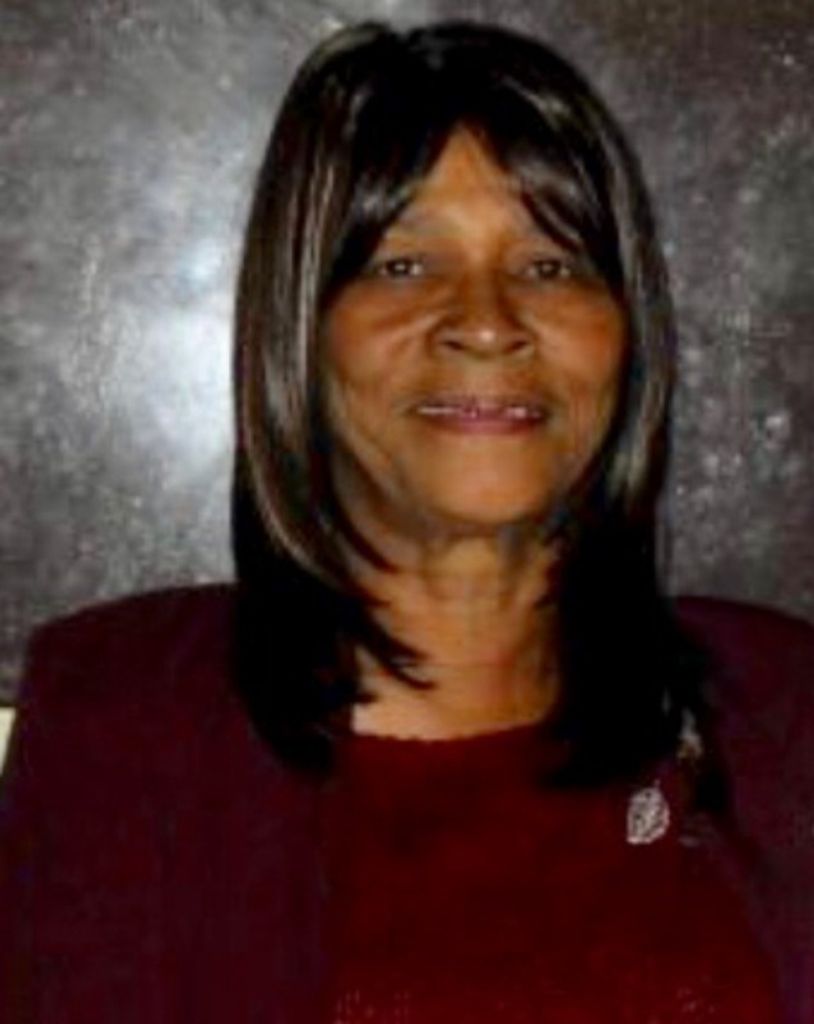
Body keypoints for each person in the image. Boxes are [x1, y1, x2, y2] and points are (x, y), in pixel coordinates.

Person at [2, 18, 813, 1024]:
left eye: (551, 265)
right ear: (304, 330)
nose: (486, 321)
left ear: (627, 333)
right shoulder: (128, 721)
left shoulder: (783, 713)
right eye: (402, 265)